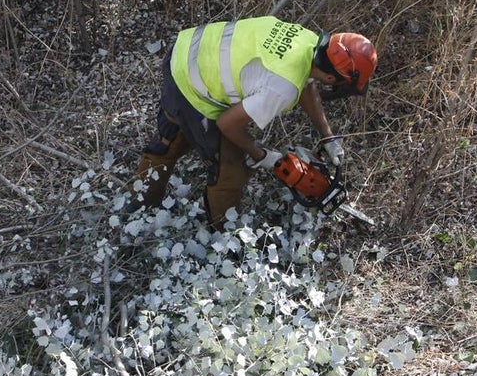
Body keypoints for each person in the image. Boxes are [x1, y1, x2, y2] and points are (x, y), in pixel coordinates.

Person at [132, 16, 377, 228]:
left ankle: (137, 206)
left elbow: (307, 82)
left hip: (186, 51)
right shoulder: (281, 88)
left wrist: (327, 135)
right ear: (332, 76)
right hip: (191, 83)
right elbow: (227, 124)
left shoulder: (308, 40)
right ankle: (223, 238)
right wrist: (260, 155)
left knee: (170, 139)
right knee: (231, 168)